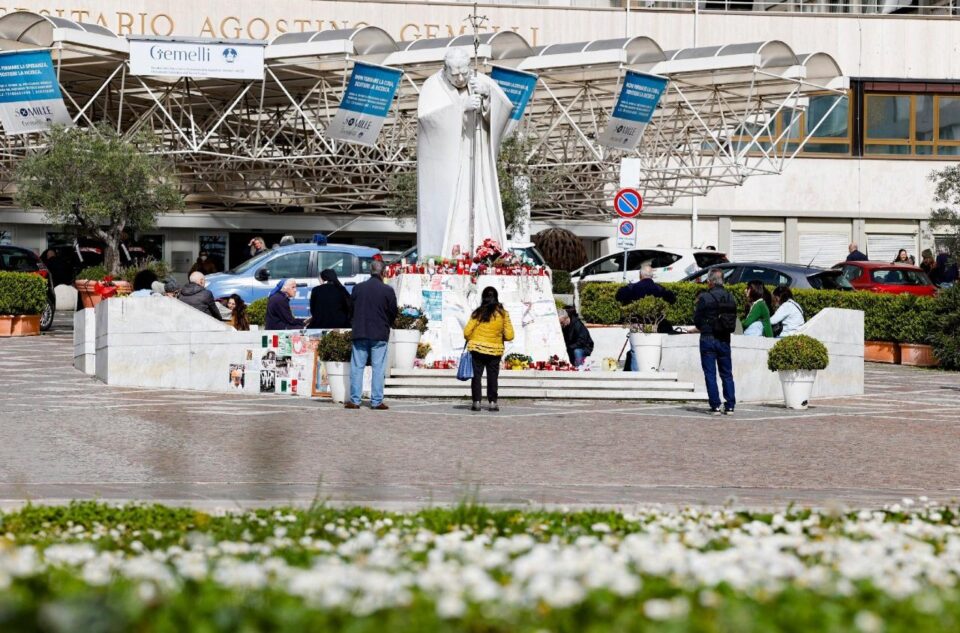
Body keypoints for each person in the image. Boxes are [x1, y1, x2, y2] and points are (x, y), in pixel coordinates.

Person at [416, 47, 514, 259]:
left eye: (464, 72)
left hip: (477, 160)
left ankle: (485, 250)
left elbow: (506, 107)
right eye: (455, 74)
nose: (460, 78)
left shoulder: (481, 81)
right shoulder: (432, 85)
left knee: (480, 201)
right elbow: (428, 120)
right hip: (450, 164)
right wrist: (461, 106)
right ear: (445, 69)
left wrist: (488, 97)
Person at [346, 260, 397, 410]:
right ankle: (376, 401)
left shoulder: (358, 288)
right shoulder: (387, 290)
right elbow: (393, 311)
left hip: (360, 331)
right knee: (378, 368)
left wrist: (354, 323)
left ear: (370, 271)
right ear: (384, 273)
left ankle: (355, 400)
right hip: (379, 333)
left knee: (357, 367)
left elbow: (350, 309)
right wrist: (386, 323)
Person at [693, 268, 737, 415]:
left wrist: (704, 326)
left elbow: (697, 320)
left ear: (710, 281)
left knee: (710, 374)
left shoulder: (705, 297)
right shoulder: (730, 297)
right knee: (727, 373)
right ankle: (730, 405)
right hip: (725, 339)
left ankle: (715, 406)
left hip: (708, 338)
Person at [615, 264, 677, 370]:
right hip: (657, 325)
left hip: (637, 324)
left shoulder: (633, 287)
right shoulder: (659, 288)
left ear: (640, 275)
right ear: (652, 276)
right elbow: (672, 299)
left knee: (636, 350)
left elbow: (618, 295)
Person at [463, 286, 515, 412]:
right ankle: (492, 402)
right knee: (493, 377)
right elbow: (510, 335)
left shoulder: (477, 313)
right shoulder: (503, 314)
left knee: (476, 376)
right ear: (496, 297)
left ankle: (476, 402)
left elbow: (466, 332)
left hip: (477, 349)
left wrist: (474, 338)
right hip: (495, 350)